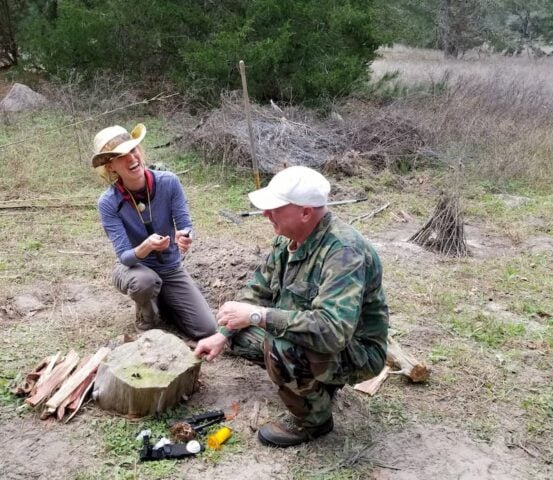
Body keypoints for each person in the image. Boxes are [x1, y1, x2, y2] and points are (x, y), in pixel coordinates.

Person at [195, 165, 389, 447]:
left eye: (275, 208)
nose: (265, 214)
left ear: (306, 212)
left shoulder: (343, 252)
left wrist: (259, 316)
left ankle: (314, 421)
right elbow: (257, 290)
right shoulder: (288, 241)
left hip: (357, 350)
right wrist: (222, 334)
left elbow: (332, 330)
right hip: (313, 334)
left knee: (281, 346)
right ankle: (315, 382)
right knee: (239, 333)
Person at [93, 123, 216, 340]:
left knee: (206, 329)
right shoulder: (108, 202)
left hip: (170, 267)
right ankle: (146, 315)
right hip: (134, 269)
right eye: (121, 156)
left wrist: (185, 236)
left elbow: (185, 224)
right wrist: (147, 246)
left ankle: (165, 301)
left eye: (133, 150)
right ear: (110, 166)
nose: (131, 158)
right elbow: (125, 257)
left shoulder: (169, 182)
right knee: (144, 282)